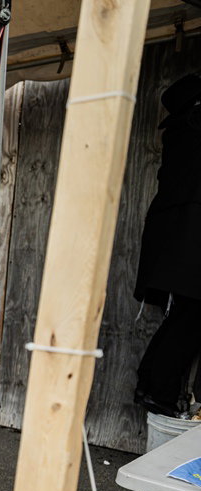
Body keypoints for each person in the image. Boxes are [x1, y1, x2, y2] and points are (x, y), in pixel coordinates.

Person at [133, 73, 201, 417]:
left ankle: (152, 385)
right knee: (190, 318)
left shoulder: (179, 130)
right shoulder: (193, 128)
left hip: (176, 240)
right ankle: (157, 391)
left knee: (183, 318)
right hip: (188, 240)